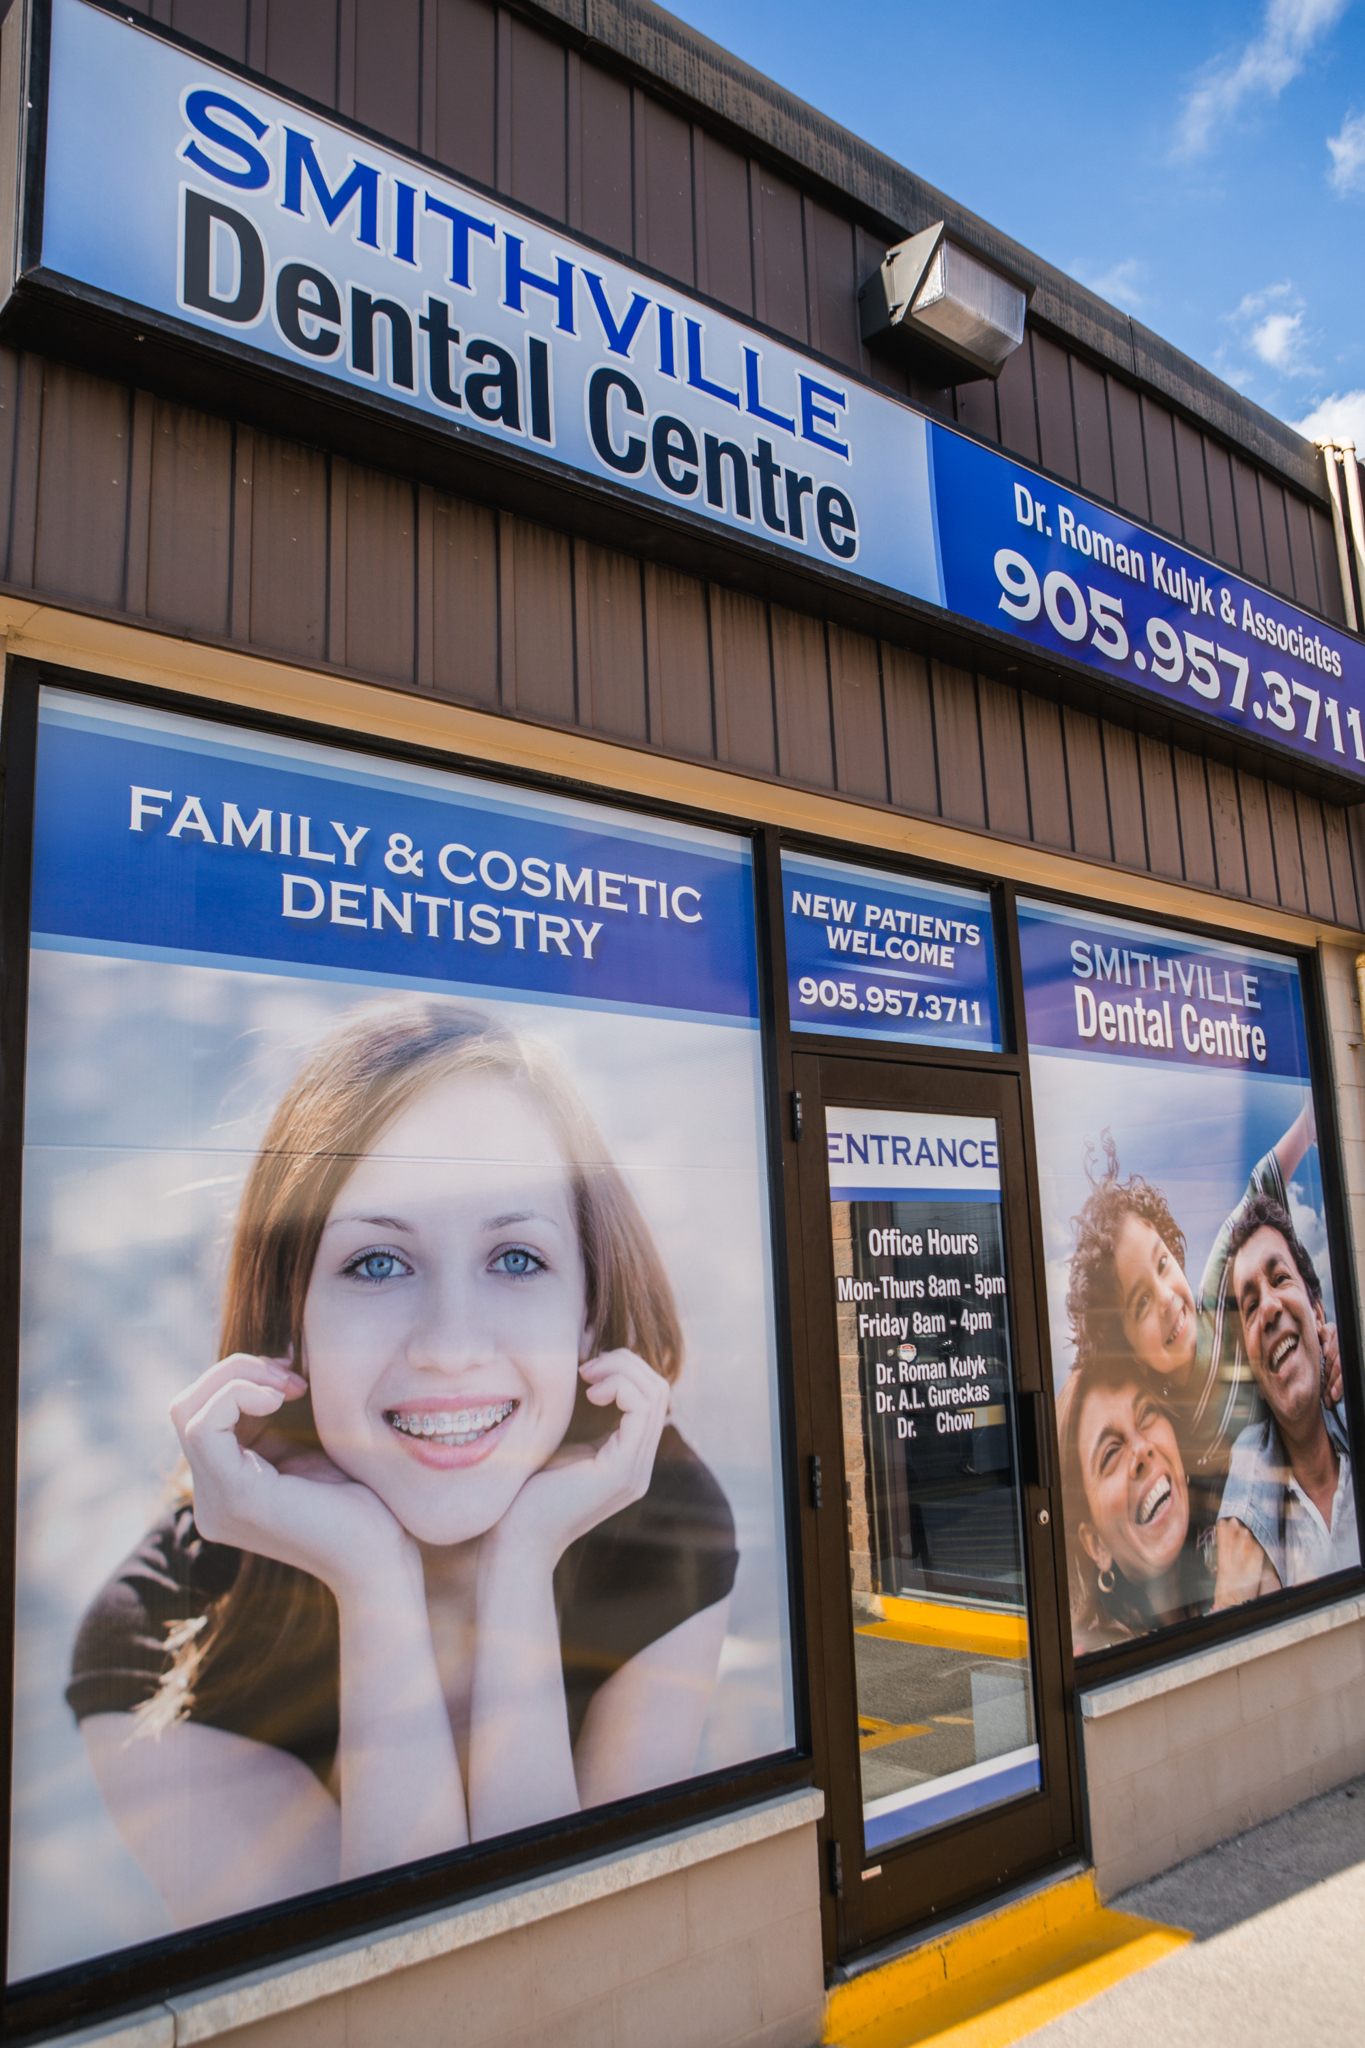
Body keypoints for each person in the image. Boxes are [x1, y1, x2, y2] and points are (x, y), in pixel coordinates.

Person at [66, 1000, 737, 1929]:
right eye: (379, 1263)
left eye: (515, 1256)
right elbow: (398, 2001)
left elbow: (576, 1955)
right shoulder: (150, 1638)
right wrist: (370, 1580)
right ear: (288, 1321)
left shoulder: (654, 1516)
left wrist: (521, 1562)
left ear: (587, 1308)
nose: (451, 1345)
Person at [1064, 1105, 1337, 1533]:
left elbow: (1259, 1187)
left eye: (1163, 1264)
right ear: (1127, 1348)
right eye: (1139, 1305)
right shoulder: (1159, 1419)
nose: (1167, 1299)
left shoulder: (1218, 1293)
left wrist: (1308, 1125)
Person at [1213, 1196, 1358, 1605]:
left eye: (1280, 1279)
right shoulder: (1250, 1521)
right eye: (1251, 1306)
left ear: (1317, 1311)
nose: (1271, 1308)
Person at [1055, 1354, 1210, 1652]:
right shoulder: (1099, 1661)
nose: (1141, 1449)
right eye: (1110, 1454)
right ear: (1097, 1544)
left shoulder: (1237, 1555)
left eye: (1146, 1414)